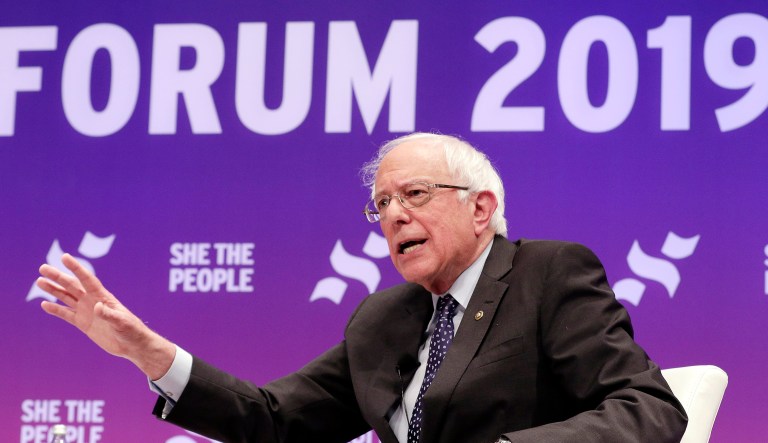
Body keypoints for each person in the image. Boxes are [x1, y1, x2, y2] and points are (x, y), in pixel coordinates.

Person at [37, 133, 687, 443]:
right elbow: (274, 417)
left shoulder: (547, 274)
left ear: (482, 208)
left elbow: (648, 407)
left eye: (415, 194)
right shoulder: (384, 316)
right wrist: (152, 355)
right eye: (381, 204)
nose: (394, 215)